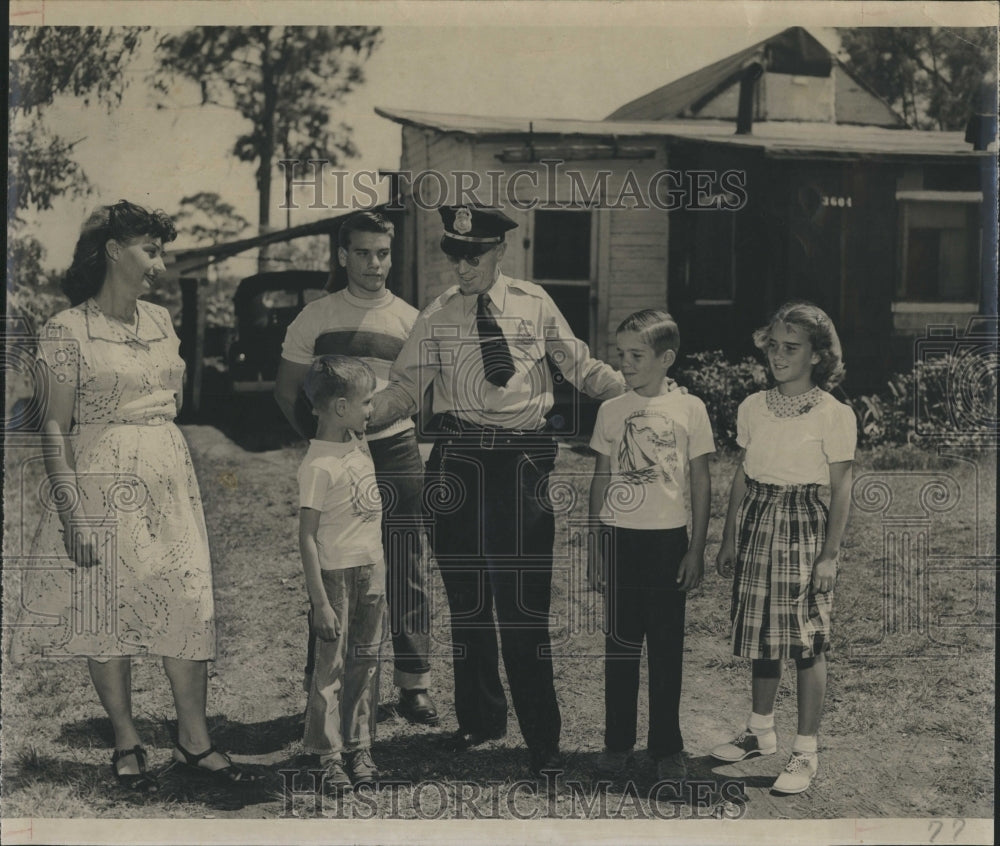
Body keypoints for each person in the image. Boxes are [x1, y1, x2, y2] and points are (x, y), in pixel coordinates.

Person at [368, 203, 626, 776]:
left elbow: (582, 367)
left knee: (523, 606)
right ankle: (480, 718)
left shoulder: (535, 304)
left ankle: (542, 740)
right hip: (457, 461)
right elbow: (405, 388)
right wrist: (363, 413)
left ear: (499, 251)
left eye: (473, 255)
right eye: (454, 255)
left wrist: (639, 391)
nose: (462, 266)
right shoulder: (436, 315)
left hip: (520, 463)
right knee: (467, 602)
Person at [7, 200, 255, 792]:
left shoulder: (162, 321)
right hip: (101, 477)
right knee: (108, 612)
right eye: (152, 248)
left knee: (189, 599)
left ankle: (195, 742)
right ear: (116, 251)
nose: (160, 263)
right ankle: (126, 738)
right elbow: (53, 428)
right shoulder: (66, 329)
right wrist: (72, 517)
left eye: (162, 250)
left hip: (169, 473)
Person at [275, 211, 438, 726]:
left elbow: (417, 395)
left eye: (383, 253)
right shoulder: (315, 317)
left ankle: (414, 684)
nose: (374, 263)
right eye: (363, 253)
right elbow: (288, 391)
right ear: (343, 256)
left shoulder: (411, 319)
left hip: (395, 454)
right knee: (333, 567)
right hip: (338, 462)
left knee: (405, 564)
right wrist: (324, 443)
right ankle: (318, 682)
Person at [712, 301, 856, 795]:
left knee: (806, 640)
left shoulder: (833, 413)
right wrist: (729, 534)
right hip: (756, 518)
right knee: (761, 632)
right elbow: (742, 474)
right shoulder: (753, 406)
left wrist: (830, 555)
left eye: (791, 347)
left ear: (817, 355)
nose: (778, 355)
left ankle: (805, 751)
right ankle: (759, 731)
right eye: (772, 345)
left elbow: (841, 488)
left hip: (802, 524)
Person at [587, 309, 714, 783]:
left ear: (666, 359)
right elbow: (600, 481)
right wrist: (596, 549)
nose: (625, 364)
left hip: (667, 544)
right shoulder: (610, 410)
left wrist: (696, 547)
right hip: (621, 542)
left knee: (665, 650)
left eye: (636, 355)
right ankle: (616, 743)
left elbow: (700, 481)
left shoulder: (690, 409)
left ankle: (666, 747)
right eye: (620, 354)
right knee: (620, 650)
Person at [296, 355, 386, 792]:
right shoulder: (318, 465)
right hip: (335, 579)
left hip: (371, 573)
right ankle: (327, 755)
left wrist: (380, 573)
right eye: (366, 401)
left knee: (365, 665)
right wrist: (320, 603)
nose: (372, 409)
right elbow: (307, 538)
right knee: (330, 670)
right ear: (339, 407)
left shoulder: (358, 446)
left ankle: (358, 745)